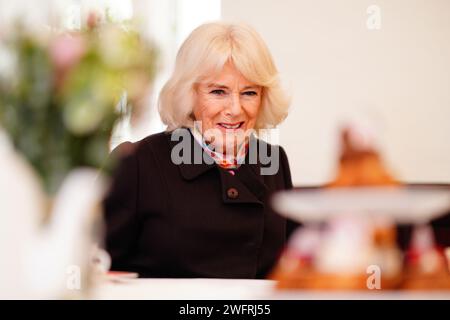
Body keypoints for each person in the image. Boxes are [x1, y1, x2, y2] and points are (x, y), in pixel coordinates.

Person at [103, 22, 298, 278]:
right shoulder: (137, 162)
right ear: (189, 94)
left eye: (249, 92)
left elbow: (294, 265)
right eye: (218, 91)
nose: (235, 109)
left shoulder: (273, 160)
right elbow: (96, 268)